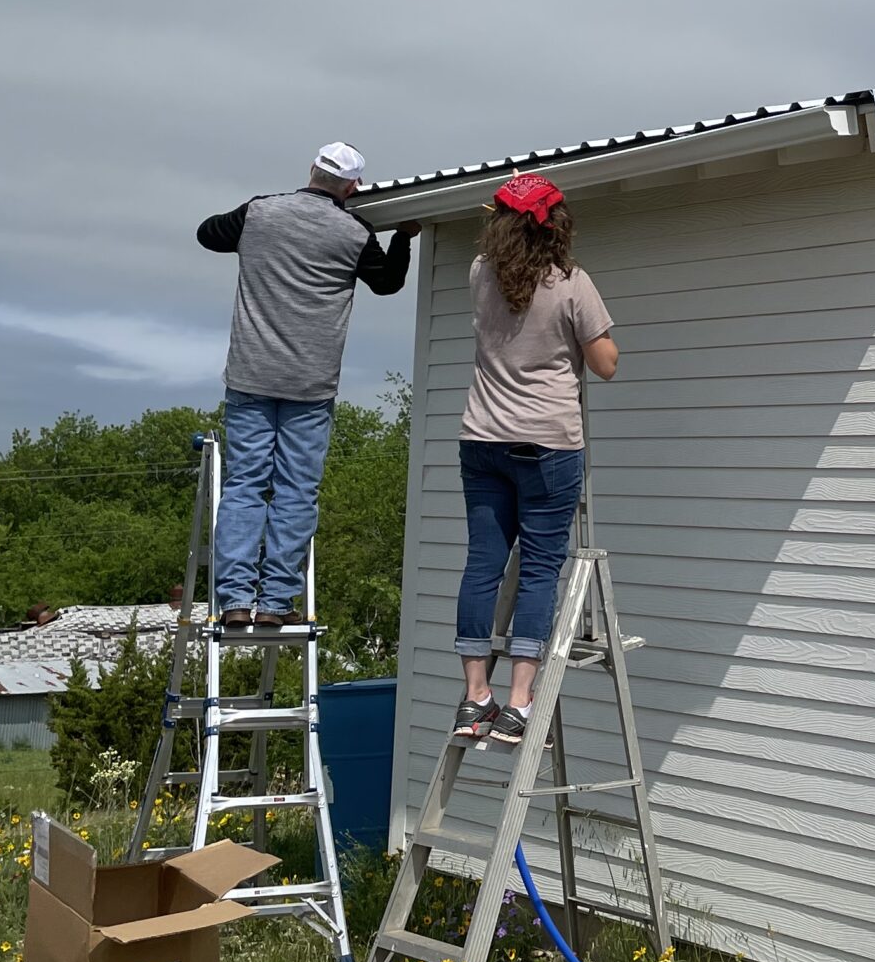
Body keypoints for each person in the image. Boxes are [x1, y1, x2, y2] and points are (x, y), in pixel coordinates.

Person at [198, 142, 417, 629]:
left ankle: (234, 599)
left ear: (312, 170)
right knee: (296, 491)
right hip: (311, 385)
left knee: (245, 485)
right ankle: (276, 602)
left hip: (251, 375)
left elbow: (207, 234)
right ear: (352, 187)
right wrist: (403, 235)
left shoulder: (259, 213)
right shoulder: (354, 232)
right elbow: (388, 283)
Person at [454, 171, 617, 746]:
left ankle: (476, 701)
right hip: (546, 442)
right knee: (541, 570)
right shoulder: (572, 284)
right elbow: (605, 364)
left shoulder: (480, 274)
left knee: (483, 564)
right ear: (557, 225)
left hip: (482, 439)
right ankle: (519, 706)